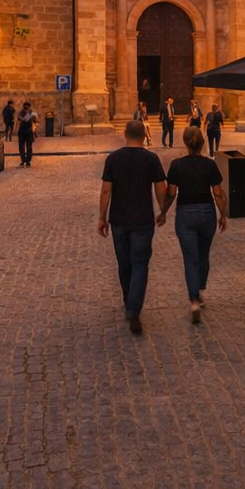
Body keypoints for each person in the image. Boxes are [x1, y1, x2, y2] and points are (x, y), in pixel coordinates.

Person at [97, 120, 169, 334]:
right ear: (144, 136)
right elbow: (161, 188)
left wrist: (102, 217)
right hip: (143, 220)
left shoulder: (113, 159)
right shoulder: (151, 159)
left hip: (119, 220)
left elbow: (106, 190)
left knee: (124, 263)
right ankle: (133, 308)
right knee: (140, 263)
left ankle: (129, 300)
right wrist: (163, 211)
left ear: (125, 135)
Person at [164, 126, 227, 323]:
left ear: (185, 142)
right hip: (206, 212)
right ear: (202, 143)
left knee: (190, 259)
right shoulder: (210, 165)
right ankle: (199, 290)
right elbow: (218, 193)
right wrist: (222, 214)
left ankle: (193, 300)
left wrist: (163, 212)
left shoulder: (176, 165)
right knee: (203, 255)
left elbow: (171, 193)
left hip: (185, 214)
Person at [15, 100, 38, 167]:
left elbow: (35, 121)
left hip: (25, 131)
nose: (26, 109)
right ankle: (25, 161)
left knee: (26, 147)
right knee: (25, 147)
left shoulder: (29, 114)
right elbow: (35, 122)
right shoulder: (29, 114)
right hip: (25, 131)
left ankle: (26, 161)